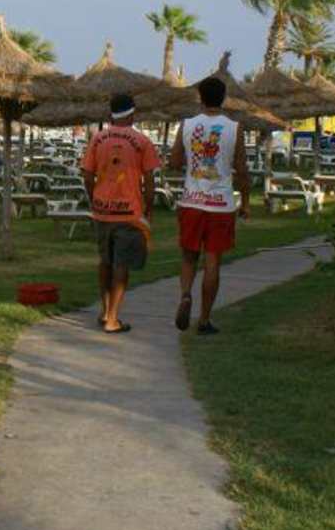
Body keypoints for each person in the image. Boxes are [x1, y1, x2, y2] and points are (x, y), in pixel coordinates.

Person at [166, 75, 250, 335]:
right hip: (220, 203)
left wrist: (194, 161)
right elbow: (242, 169)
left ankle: (185, 294)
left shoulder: (187, 125)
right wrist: (246, 202)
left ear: (200, 98)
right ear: (224, 98)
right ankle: (203, 319)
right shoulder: (234, 128)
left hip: (192, 201)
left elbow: (174, 163)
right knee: (212, 260)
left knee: (188, 257)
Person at [80, 92, 161, 334]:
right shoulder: (142, 141)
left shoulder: (97, 139)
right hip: (129, 213)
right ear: (132, 114)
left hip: (102, 211)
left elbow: (87, 174)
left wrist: (94, 197)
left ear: (111, 114)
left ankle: (105, 311)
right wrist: (149, 208)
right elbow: (149, 180)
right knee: (121, 265)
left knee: (105, 261)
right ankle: (113, 320)